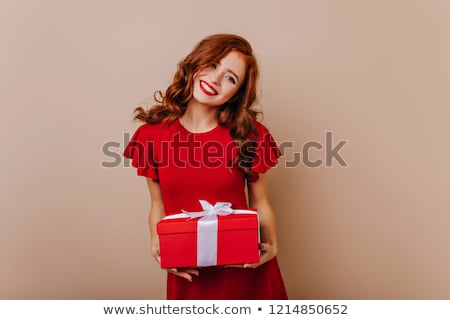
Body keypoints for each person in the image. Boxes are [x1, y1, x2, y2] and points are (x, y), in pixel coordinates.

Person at [123, 34, 288, 299]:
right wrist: (159, 247)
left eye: (230, 78)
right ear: (194, 62)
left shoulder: (251, 135)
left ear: (237, 93)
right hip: (190, 271)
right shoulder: (151, 136)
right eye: (212, 65)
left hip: (244, 270)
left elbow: (260, 201)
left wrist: (273, 246)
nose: (215, 79)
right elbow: (157, 206)